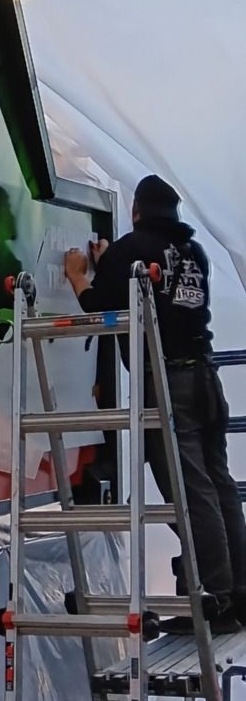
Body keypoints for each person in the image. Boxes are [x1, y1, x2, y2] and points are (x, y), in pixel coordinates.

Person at [64, 175, 246, 626]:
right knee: (218, 483)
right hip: (205, 377)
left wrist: (78, 276)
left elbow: (99, 309)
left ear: (136, 211)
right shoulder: (193, 251)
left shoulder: (130, 249)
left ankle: (213, 599)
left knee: (189, 489)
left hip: (168, 382)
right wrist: (111, 265)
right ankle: (239, 591)